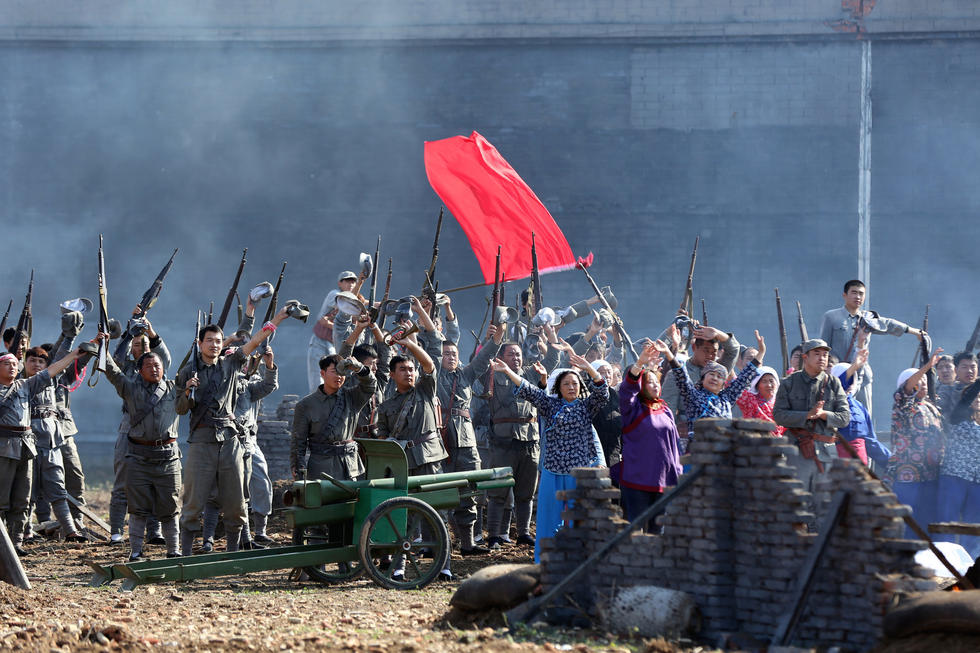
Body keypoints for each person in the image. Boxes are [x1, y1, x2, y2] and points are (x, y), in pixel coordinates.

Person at [175, 306, 290, 556]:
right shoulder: (187, 371)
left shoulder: (231, 364)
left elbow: (254, 342)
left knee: (236, 501)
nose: (215, 345)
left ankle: (232, 553)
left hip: (229, 441)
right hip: (201, 441)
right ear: (200, 343)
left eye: (218, 341)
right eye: (210, 341)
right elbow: (181, 409)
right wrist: (187, 390)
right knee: (194, 502)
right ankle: (185, 555)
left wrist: (278, 319)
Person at [491, 345, 607, 562]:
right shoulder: (550, 405)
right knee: (548, 520)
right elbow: (529, 390)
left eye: (574, 383)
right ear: (559, 388)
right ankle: (545, 561)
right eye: (566, 384)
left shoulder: (586, 406)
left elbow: (602, 392)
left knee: (578, 519)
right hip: (552, 471)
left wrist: (589, 369)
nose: (571, 387)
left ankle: (578, 561)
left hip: (578, 473)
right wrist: (507, 371)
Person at [0, 346, 83, 556]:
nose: (12, 367)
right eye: (6, 363)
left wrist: (73, 355)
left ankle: (16, 542)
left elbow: (51, 370)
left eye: (13, 363)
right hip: (3, 448)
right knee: (2, 499)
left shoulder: (26, 385)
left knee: (22, 498)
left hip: (26, 448)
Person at [484, 326, 560, 550]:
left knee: (526, 493)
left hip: (529, 441)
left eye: (518, 354)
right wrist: (494, 338)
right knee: (498, 492)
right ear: (501, 357)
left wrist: (549, 334)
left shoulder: (529, 374)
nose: (516, 358)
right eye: (511, 354)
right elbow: (480, 361)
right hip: (502, 442)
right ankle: (495, 535)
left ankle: (524, 533)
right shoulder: (492, 373)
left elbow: (553, 360)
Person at [104, 346, 183, 561]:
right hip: (138, 457)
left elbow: (194, 369)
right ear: (139, 370)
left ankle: (173, 550)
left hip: (168, 457)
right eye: (148, 366)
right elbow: (111, 371)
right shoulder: (130, 389)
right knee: (137, 508)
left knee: (170, 506)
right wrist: (104, 346)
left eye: (157, 365)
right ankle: (136, 551)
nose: (154, 369)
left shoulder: (175, 388)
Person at [434, 322, 503, 555]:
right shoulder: (432, 375)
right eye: (446, 353)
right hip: (440, 441)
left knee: (470, 491)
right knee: (441, 492)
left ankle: (467, 543)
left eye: (454, 353)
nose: (451, 357)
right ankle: (439, 544)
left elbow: (484, 359)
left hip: (466, 440)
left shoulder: (465, 374)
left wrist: (496, 339)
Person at [108, 314, 171, 545]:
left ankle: (154, 531)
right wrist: (127, 334)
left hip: (155, 432)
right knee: (124, 481)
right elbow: (114, 360)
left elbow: (164, 357)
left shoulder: (157, 367)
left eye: (145, 344)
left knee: (153, 482)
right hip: (130, 428)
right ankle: (116, 530)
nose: (142, 347)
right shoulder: (128, 371)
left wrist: (150, 333)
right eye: (138, 344)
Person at [819, 280, 923, 418]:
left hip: (862, 376)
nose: (858, 297)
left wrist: (914, 331)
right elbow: (823, 346)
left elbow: (889, 324)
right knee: (837, 413)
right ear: (844, 295)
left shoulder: (868, 319)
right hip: (839, 376)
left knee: (863, 414)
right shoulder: (831, 317)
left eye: (861, 294)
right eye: (854, 293)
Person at [23, 342, 87, 542]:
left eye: (41, 361)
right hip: (27, 445)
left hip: (51, 443)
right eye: (32, 360)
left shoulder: (52, 380)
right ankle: (25, 532)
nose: (36, 364)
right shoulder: (18, 382)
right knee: (28, 492)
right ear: (23, 363)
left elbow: (59, 363)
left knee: (58, 489)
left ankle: (70, 531)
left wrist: (78, 352)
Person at [773, 339, 851, 503]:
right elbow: (779, 415)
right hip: (797, 451)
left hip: (826, 452)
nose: (822, 358)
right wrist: (806, 415)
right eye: (817, 354)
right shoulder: (789, 383)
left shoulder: (833, 383)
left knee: (824, 504)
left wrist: (823, 414)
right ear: (805, 357)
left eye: (825, 355)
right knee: (797, 501)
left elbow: (845, 418)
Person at [657, 330, 766, 445]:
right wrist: (670, 352)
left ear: (723, 384)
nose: (714, 378)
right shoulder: (693, 396)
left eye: (719, 377)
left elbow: (744, 378)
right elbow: (681, 376)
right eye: (711, 375)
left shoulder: (727, 397)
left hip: (722, 449)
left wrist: (761, 353)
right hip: (697, 447)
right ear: (703, 378)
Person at [618, 342, 682, 530]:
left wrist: (677, 475)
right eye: (649, 382)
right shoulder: (632, 409)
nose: (654, 385)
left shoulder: (666, 410)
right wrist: (640, 363)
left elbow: (674, 446)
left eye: (656, 381)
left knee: (658, 533)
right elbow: (626, 390)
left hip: (663, 482)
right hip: (637, 480)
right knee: (634, 531)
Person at [884, 352, 945, 538]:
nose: (924, 384)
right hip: (907, 474)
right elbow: (906, 389)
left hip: (930, 473)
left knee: (927, 521)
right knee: (907, 521)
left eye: (926, 381)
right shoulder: (903, 405)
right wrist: (927, 366)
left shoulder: (931, 407)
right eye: (920, 380)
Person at [291, 351, 375, 483]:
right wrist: (299, 469)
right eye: (334, 372)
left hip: (351, 466)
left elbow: (370, 385)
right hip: (321, 468)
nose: (339, 376)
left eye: (342, 373)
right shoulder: (306, 405)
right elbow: (298, 442)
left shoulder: (353, 397)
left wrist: (359, 368)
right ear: (322, 374)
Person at [660, 323, 740, 435]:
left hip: (719, 436)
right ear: (694, 348)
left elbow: (734, 350)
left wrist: (717, 333)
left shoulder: (718, 370)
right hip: (687, 435)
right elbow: (667, 410)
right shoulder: (675, 374)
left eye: (714, 352)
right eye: (706, 350)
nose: (710, 356)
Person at [937, 376, 980, 556]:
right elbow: (965, 400)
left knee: (972, 526)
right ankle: (944, 563)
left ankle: (969, 565)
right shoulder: (958, 419)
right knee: (948, 522)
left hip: (976, 482)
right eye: (975, 396)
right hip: (954, 478)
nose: (978, 399)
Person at [830, 352, 892, 467]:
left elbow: (870, 441)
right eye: (848, 377)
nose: (850, 382)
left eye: (853, 378)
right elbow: (839, 386)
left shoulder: (860, 407)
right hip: (837, 459)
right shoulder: (831, 401)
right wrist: (855, 365)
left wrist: (890, 461)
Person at [307, 270, 359, 392]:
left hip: (334, 345)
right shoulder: (335, 294)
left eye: (353, 282)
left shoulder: (355, 301)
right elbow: (322, 319)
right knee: (317, 381)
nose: (350, 284)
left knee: (334, 380)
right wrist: (337, 328)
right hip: (319, 342)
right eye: (347, 281)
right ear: (340, 283)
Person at [735, 365, 784, 436]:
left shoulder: (783, 402)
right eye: (764, 381)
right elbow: (735, 385)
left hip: (780, 443)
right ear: (757, 385)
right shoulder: (750, 400)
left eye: (771, 381)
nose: (769, 385)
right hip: (755, 442)